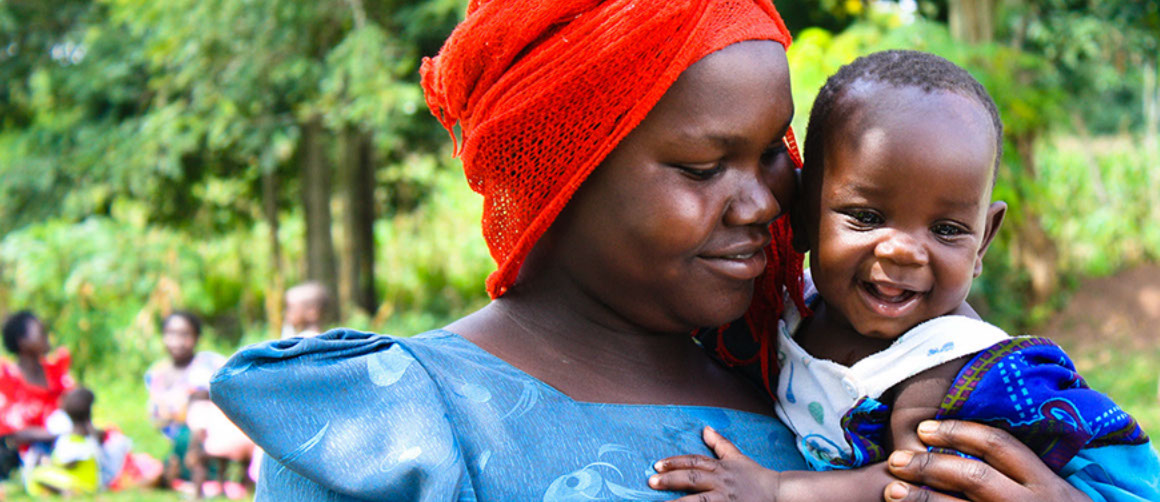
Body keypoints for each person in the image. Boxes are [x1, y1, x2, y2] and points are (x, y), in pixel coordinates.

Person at [211, 2, 1112, 500]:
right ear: (566, 173)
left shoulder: (821, 395)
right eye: (701, 164)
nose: (765, 199)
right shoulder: (397, 426)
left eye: (771, 151)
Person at [649, 50, 1160, 501]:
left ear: (982, 240)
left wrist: (778, 490)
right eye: (867, 217)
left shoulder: (946, 366)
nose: (903, 252)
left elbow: (912, 482)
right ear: (802, 213)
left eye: (946, 229)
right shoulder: (788, 308)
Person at [143, 311, 235, 493]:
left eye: (185, 334)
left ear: (196, 337)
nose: (177, 341)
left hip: (210, 434)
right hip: (176, 440)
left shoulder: (210, 364)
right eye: (171, 334)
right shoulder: (156, 374)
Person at [0, 311, 75, 479]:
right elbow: (13, 433)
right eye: (41, 332)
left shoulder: (56, 373)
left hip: (64, 444)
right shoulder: (7, 379)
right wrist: (59, 434)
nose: (46, 336)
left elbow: (76, 409)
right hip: (24, 454)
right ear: (22, 342)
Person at [25, 388, 101, 496]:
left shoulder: (74, 437)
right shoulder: (92, 433)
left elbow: (70, 463)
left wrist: (50, 463)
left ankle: (64, 491)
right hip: (92, 481)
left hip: (79, 481)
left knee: (37, 474)